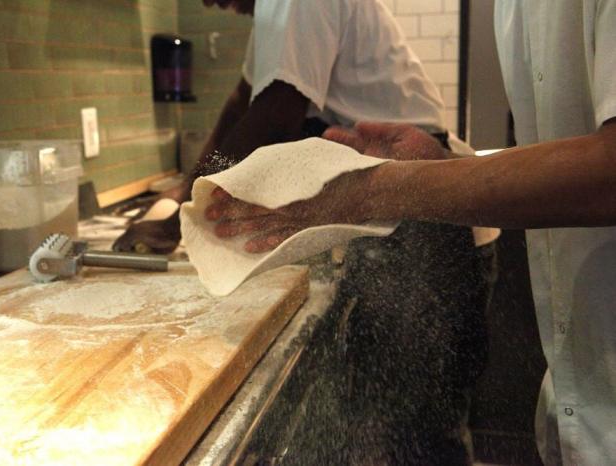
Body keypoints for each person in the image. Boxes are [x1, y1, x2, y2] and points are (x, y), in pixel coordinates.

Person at [205, 1, 616, 464]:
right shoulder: (514, 9)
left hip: (428, 229)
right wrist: (440, 167)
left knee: (418, 438)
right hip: (582, 401)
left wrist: (376, 191)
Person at [119, 1, 493, 464]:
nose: (207, 3)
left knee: (414, 428)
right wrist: (185, 193)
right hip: (384, 197)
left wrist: (190, 204)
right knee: (375, 419)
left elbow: (276, 112)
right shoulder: (272, 17)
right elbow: (241, 101)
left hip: (418, 198)